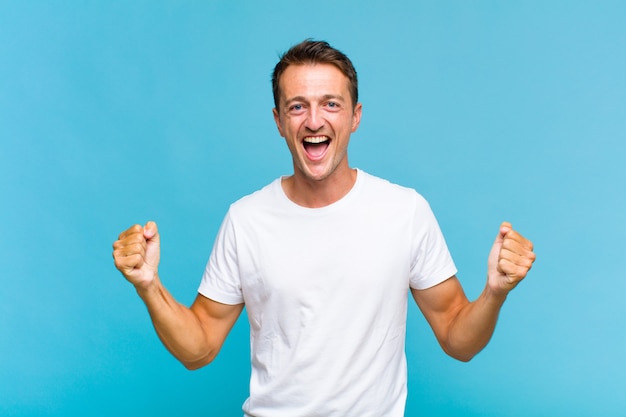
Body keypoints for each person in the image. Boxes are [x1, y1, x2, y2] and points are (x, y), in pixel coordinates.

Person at [112, 40, 536, 417]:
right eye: (298, 106)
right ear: (279, 121)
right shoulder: (246, 219)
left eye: (331, 104)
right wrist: (148, 286)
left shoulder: (404, 211)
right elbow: (199, 346)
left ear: (355, 116)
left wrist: (494, 293)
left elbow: (457, 338)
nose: (314, 120)